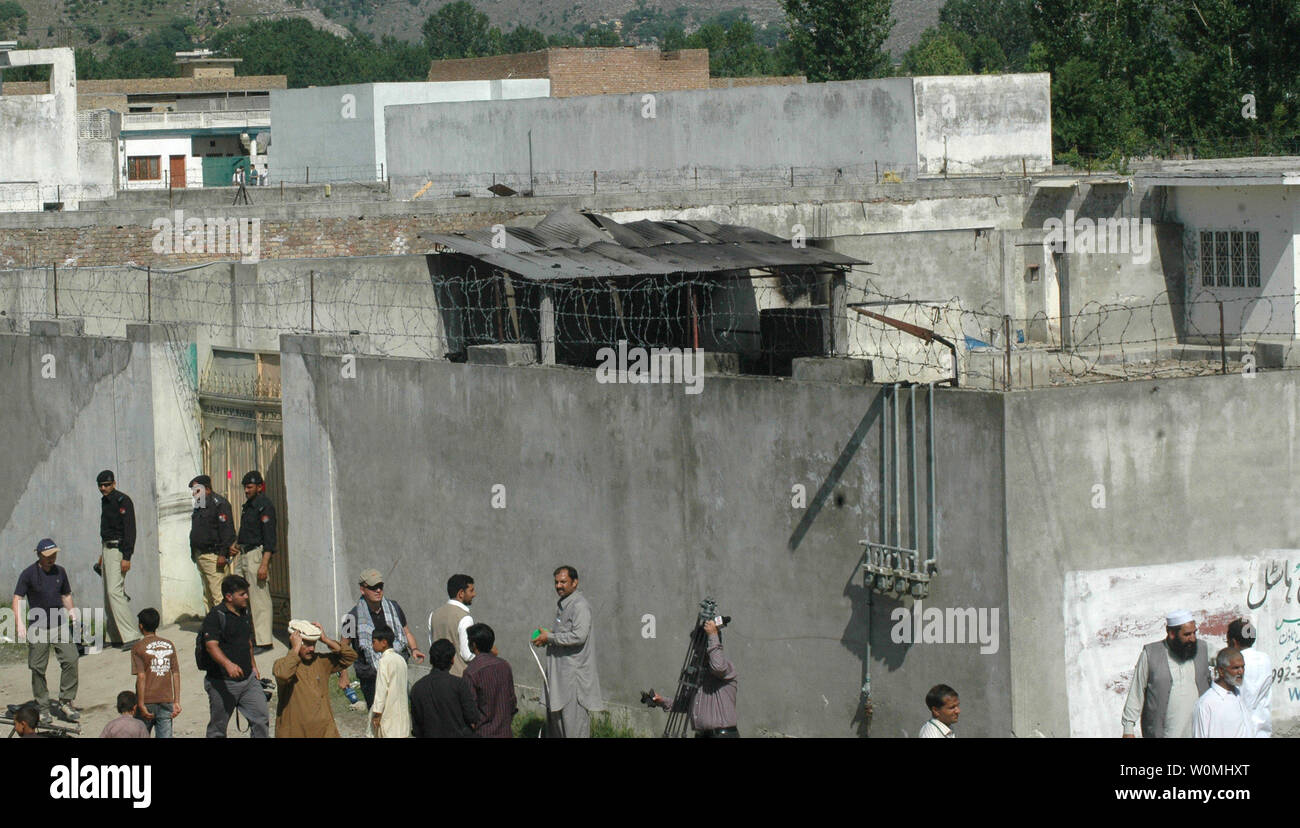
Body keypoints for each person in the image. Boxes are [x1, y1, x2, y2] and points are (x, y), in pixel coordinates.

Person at [11, 539, 80, 723]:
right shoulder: (28, 574)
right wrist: (19, 623)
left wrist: (72, 612)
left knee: (71, 659)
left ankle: (66, 701)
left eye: (54, 555)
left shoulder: (60, 572)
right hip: (38, 627)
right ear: (39, 556)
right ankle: (43, 708)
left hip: (60, 625)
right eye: (48, 556)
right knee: (37, 667)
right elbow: (17, 598)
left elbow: (65, 594)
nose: (52, 559)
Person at [532, 565, 603, 738]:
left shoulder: (580, 606)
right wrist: (548, 637)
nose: (558, 586)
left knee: (573, 729)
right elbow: (563, 635)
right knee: (557, 729)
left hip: (573, 682)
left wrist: (550, 638)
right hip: (559, 679)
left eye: (563, 582)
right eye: (556, 582)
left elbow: (579, 636)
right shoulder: (565, 605)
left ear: (575, 582)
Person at [339, 569, 425, 707]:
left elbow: (406, 632)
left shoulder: (394, 608)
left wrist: (414, 649)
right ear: (362, 589)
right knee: (377, 716)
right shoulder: (350, 617)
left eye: (380, 586)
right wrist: (343, 675)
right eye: (373, 588)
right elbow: (342, 647)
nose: (378, 590)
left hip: (396, 672)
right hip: (371, 677)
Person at [1121, 609, 1211, 738]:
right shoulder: (1151, 654)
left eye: (1194, 633)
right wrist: (1128, 728)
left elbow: (1228, 660)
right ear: (1172, 633)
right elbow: (1137, 690)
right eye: (1187, 634)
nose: (1193, 638)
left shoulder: (1202, 648)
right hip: (1163, 733)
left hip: (1199, 731)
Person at [200, 574, 269, 738]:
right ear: (228, 596)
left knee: (261, 719)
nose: (246, 597)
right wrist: (228, 664)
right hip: (222, 682)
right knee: (218, 728)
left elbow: (248, 642)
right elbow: (211, 646)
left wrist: (254, 666)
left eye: (246, 593)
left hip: (248, 680)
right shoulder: (215, 616)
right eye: (242, 594)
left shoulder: (244, 612)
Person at [650, 618, 738, 737]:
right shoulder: (697, 674)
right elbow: (685, 705)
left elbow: (718, 667)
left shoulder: (726, 667)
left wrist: (712, 634)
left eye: (699, 647)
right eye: (695, 647)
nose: (695, 651)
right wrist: (661, 701)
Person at [272, 619, 356, 738]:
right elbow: (283, 675)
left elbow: (350, 656)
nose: (311, 649)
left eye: (313, 644)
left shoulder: (321, 662)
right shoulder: (281, 664)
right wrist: (295, 649)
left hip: (324, 730)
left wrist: (325, 639)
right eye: (306, 644)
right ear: (296, 642)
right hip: (295, 731)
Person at [231, 470, 277, 653]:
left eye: (250, 487)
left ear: (259, 487)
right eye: (245, 487)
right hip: (244, 554)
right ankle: (246, 634)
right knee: (237, 593)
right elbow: (246, 532)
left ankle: (264, 641)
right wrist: (236, 545)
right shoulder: (248, 506)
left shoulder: (264, 506)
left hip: (257, 556)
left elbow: (270, 539)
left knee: (259, 599)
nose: (246, 490)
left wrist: (264, 564)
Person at [96, 469, 139, 649]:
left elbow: (130, 530)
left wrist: (127, 556)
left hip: (118, 549)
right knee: (108, 594)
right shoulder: (105, 502)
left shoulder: (123, 501)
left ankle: (131, 635)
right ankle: (113, 636)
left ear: (114, 483)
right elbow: (106, 530)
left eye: (107, 484)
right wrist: (102, 555)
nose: (104, 488)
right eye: (101, 485)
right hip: (107, 549)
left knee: (115, 592)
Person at [410, 639, 478, 737]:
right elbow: (472, 716)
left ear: (431, 660)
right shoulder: (459, 685)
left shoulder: (417, 688)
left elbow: (417, 728)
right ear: (452, 660)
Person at [130, 608, 180, 738]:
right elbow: (175, 673)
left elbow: (141, 676)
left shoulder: (138, 647)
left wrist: (140, 703)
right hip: (166, 700)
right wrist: (176, 701)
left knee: (140, 734)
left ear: (141, 626)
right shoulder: (169, 645)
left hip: (147, 701)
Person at [189, 475, 236, 612]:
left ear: (207, 489)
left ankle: (223, 629)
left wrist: (222, 554)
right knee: (207, 596)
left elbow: (227, 532)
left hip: (213, 556)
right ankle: (212, 628)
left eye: (197, 490)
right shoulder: (199, 505)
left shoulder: (219, 504)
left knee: (218, 596)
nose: (194, 493)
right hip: (201, 556)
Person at [462, 623, 517, 738]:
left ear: (474, 645)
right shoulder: (504, 665)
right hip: (505, 732)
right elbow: (512, 700)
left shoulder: (471, 672)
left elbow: (469, 710)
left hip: (483, 733)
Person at [1193, 648, 1257, 738]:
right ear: (1221, 671)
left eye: (1243, 667)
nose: (1241, 671)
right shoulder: (1206, 704)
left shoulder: (1239, 694)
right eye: (1236, 668)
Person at [1227, 618, 1272, 738]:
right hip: (1262, 730)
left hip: (1242, 730)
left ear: (1233, 642)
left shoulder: (1235, 664)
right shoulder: (1265, 659)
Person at [429, 573, 475, 677]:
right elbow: (467, 655)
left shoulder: (434, 614)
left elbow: (433, 645)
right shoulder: (465, 618)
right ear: (461, 593)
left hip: (436, 677)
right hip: (458, 677)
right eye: (471, 590)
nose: (474, 594)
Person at [368, 628, 410, 738]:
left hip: (388, 714)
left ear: (384, 642)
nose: (372, 645)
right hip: (402, 715)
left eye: (374, 641)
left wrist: (377, 713)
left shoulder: (384, 661)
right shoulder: (401, 660)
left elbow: (381, 689)